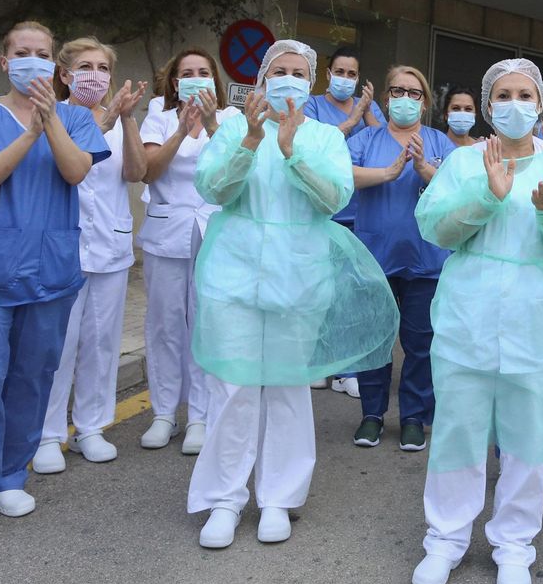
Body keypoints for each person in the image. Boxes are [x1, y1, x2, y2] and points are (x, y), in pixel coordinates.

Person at [187, 40, 399, 550]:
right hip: (235, 271)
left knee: (286, 388)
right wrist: (250, 141)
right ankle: (224, 497)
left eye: (297, 72)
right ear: (262, 79)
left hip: (299, 277)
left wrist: (290, 149)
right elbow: (212, 189)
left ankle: (279, 497)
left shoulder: (325, 136)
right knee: (233, 387)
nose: (287, 79)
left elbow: (334, 195)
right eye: (277, 70)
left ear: (311, 82)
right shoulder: (237, 126)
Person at [409, 59, 543, 584]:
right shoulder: (465, 160)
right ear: (488, 104)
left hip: (538, 318)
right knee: (459, 428)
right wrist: (487, 196)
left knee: (528, 433)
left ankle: (514, 544)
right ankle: (445, 539)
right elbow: (437, 229)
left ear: (540, 104)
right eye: (503, 95)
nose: (514, 104)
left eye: (524, 94)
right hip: (467, 316)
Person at [0, 22, 111, 559]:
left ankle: (10, 475)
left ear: (55, 68)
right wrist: (29, 131)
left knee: (32, 379)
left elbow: (76, 171)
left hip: (49, 271)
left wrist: (49, 120)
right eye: (22, 53)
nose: (32, 61)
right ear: (5, 63)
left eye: (43, 55)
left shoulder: (76, 117)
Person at [31, 39, 147, 474]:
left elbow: (136, 173)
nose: (95, 74)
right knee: (56, 344)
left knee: (101, 341)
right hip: (62, 245)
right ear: (64, 75)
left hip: (111, 245)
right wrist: (109, 118)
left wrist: (128, 121)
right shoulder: (47, 114)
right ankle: (46, 433)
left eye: (102, 67)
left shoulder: (121, 121)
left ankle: (91, 428)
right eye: (85, 66)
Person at [348, 66, 455, 452]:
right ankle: (372, 415)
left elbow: (459, 189)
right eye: (397, 91)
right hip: (375, 255)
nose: (404, 99)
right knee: (375, 339)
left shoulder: (440, 142)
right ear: (387, 98)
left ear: (424, 102)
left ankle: (413, 418)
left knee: (420, 343)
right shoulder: (368, 138)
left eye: (413, 93)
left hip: (425, 258)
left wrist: (426, 169)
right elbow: (342, 173)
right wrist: (387, 173)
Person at [138, 49, 234, 454]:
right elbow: (148, 169)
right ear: (175, 82)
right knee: (165, 324)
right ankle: (163, 413)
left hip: (214, 232)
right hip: (167, 232)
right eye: (186, 73)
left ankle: (199, 415)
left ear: (214, 79)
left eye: (203, 72)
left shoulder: (230, 120)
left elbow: (235, 169)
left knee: (204, 324)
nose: (195, 78)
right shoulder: (159, 114)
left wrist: (208, 125)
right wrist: (180, 130)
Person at [302, 44, 384, 398]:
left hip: (358, 215)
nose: (346, 79)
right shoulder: (312, 106)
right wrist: (353, 118)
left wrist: (365, 110)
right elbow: (317, 148)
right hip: (321, 213)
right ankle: (317, 363)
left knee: (350, 295)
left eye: (353, 74)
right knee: (319, 293)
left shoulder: (368, 107)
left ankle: (347, 369)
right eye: (341, 72)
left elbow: (384, 140)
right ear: (327, 74)